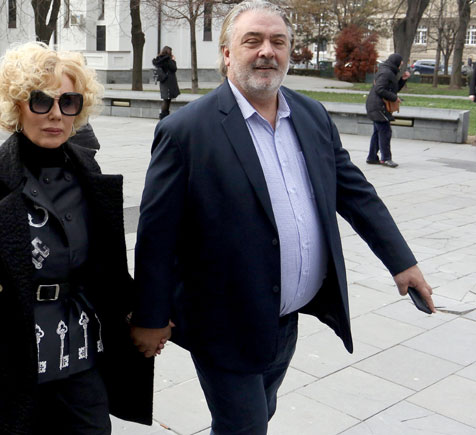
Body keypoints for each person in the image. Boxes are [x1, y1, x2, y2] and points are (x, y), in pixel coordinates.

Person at [130, 1, 435, 434]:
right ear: (227, 53)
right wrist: (149, 315)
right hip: (223, 321)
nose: (267, 51)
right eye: (252, 41)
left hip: (286, 319)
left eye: (278, 42)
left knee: (259, 414)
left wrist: (401, 261)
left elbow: (356, 194)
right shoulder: (186, 131)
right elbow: (156, 236)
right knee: (245, 426)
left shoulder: (311, 116)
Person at [0, 41, 153, 434]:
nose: (56, 114)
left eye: (68, 102)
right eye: (41, 101)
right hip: (6, 358)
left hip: (79, 354)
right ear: (16, 106)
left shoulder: (89, 176)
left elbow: (107, 268)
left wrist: (145, 315)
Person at [365, 53, 410, 168]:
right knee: (385, 132)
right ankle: (386, 159)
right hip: (378, 107)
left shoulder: (388, 71)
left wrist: (403, 80)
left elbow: (392, 89)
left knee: (378, 132)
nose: (401, 66)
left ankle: (372, 157)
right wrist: (394, 98)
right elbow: (380, 89)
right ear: (396, 63)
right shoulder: (386, 72)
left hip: (376, 106)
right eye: (400, 64)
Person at [152, 46, 180, 119]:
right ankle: (163, 116)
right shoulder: (167, 60)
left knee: (166, 99)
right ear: (168, 52)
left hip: (163, 82)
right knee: (167, 100)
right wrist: (173, 60)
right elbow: (174, 68)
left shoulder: (160, 59)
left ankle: (164, 115)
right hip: (168, 82)